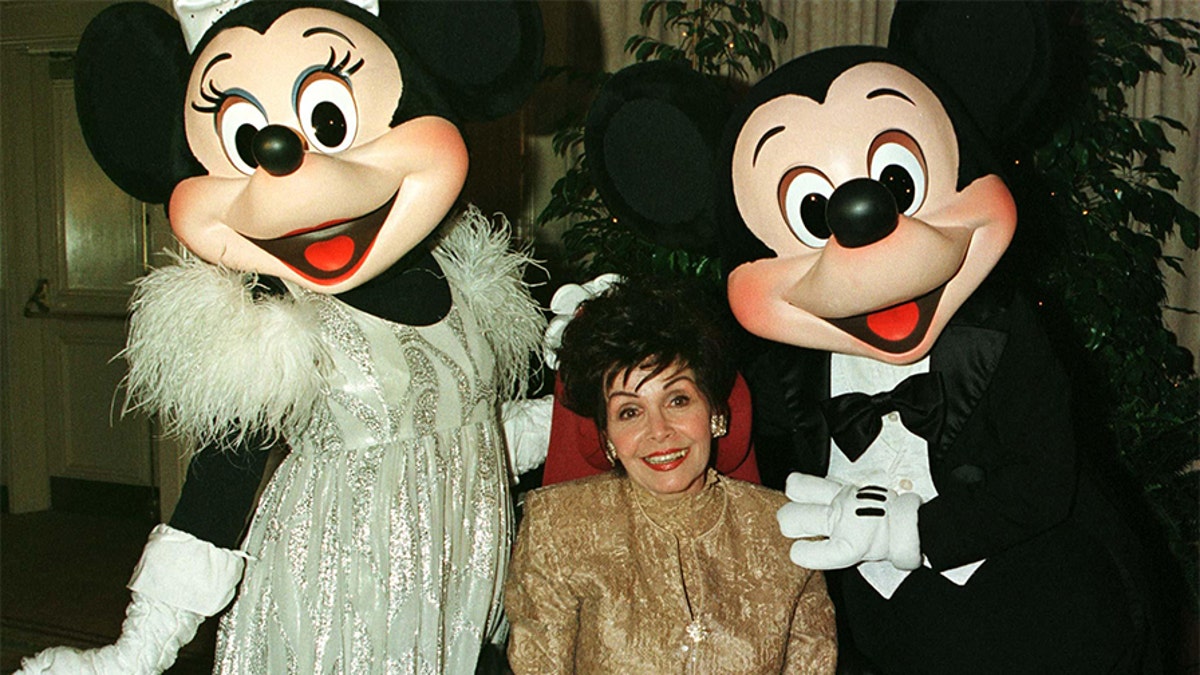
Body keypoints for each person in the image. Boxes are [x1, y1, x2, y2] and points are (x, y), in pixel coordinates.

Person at [504, 277, 837, 674]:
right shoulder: (559, 528)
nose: (658, 430)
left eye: (677, 400)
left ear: (714, 412)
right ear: (608, 438)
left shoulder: (787, 531)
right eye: (630, 411)